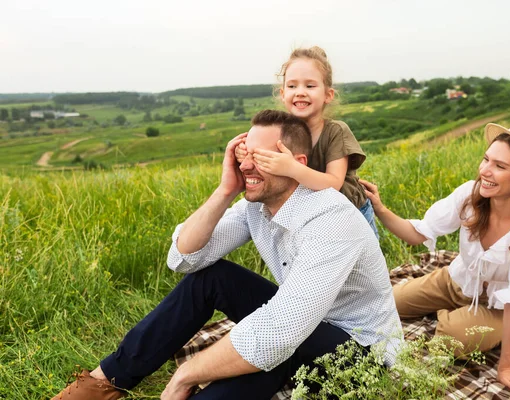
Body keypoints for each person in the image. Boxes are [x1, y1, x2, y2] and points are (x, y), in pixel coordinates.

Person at [53, 110, 401, 400]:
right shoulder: (258, 205)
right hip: (304, 327)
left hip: (362, 352)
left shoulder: (330, 217)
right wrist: (225, 189)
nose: (247, 165)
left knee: (270, 348)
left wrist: (187, 373)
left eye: (262, 157)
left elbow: (280, 331)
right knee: (212, 280)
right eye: (244, 154)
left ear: (296, 163)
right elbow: (184, 258)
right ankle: (104, 383)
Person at [359, 120, 510, 398]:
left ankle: (449, 319)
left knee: (450, 338)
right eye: (486, 159)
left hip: (499, 306)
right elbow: (416, 234)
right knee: (387, 301)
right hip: (454, 280)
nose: (485, 171)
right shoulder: (470, 196)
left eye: (500, 166)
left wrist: (506, 368)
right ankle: (446, 312)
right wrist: (380, 208)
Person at [235, 46, 379, 237]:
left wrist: (292, 168)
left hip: (350, 213)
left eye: (310, 86)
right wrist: (246, 154)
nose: (300, 92)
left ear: (328, 94)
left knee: (358, 263)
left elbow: (334, 184)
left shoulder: (335, 131)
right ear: (282, 93)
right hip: (309, 214)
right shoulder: (279, 131)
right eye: (292, 86)